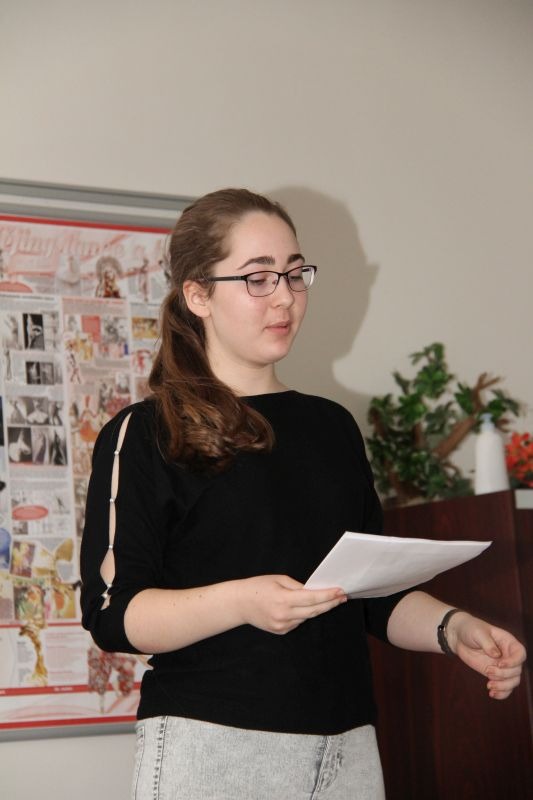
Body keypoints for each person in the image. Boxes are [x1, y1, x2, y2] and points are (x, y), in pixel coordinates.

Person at [80, 189, 526, 800]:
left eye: (295, 273)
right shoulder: (144, 433)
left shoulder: (332, 426)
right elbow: (113, 616)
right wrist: (243, 601)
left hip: (350, 749)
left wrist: (455, 627)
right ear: (198, 295)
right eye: (258, 278)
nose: (285, 297)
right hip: (215, 748)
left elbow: (371, 597)